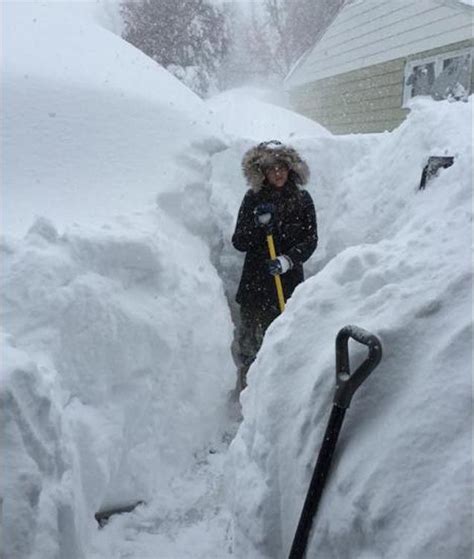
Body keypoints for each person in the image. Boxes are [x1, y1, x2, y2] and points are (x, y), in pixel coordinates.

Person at [232, 140, 318, 390]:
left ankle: (278, 392)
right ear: (263, 172)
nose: (278, 173)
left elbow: (311, 240)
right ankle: (248, 392)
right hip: (255, 286)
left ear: (290, 169)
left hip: (287, 286)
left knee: (281, 342)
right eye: (272, 169)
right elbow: (239, 241)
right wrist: (258, 227)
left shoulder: (302, 199)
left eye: (282, 167)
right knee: (250, 344)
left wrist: (287, 260)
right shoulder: (253, 199)